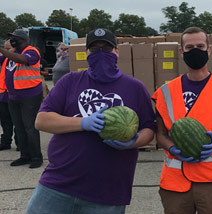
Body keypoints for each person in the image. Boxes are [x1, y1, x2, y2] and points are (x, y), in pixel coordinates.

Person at [25, 28, 156, 214]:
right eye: (95, 49)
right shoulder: (69, 81)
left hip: (108, 191)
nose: (101, 53)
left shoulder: (135, 88)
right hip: (58, 184)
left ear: (117, 52)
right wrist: (83, 123)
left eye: (107, 48)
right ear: (86, 53)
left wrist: (133, 142)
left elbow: (149, 129)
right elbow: (42, 120)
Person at [152, 27, 212, 214]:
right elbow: (160, 134)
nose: (195, 50)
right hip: (175, 182)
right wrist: (172, 148)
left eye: (200, 46)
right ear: (181, 52)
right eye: (189, 47)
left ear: (209, 49)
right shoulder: (166, 91)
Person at [0, 29, 43, 168]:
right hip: (13, 96)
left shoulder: (31, 51)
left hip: (29, 96)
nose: (12, 40)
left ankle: (36, 157)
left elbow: (23, 60)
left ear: (22, 39)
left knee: (29, 127)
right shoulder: (12, 53)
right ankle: (24, 156)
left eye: (14, 38)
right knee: (19, 128)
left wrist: (2, 50)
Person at [0, 40, 18, 151]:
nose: (6, 51)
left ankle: (20, 143)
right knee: (5, 121)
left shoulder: (20, 59)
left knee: (18, 121)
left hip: (16, 94)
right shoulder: (6, 59)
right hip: (3, 94)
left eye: (8, 49)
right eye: (5, 49)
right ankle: (5, 142)